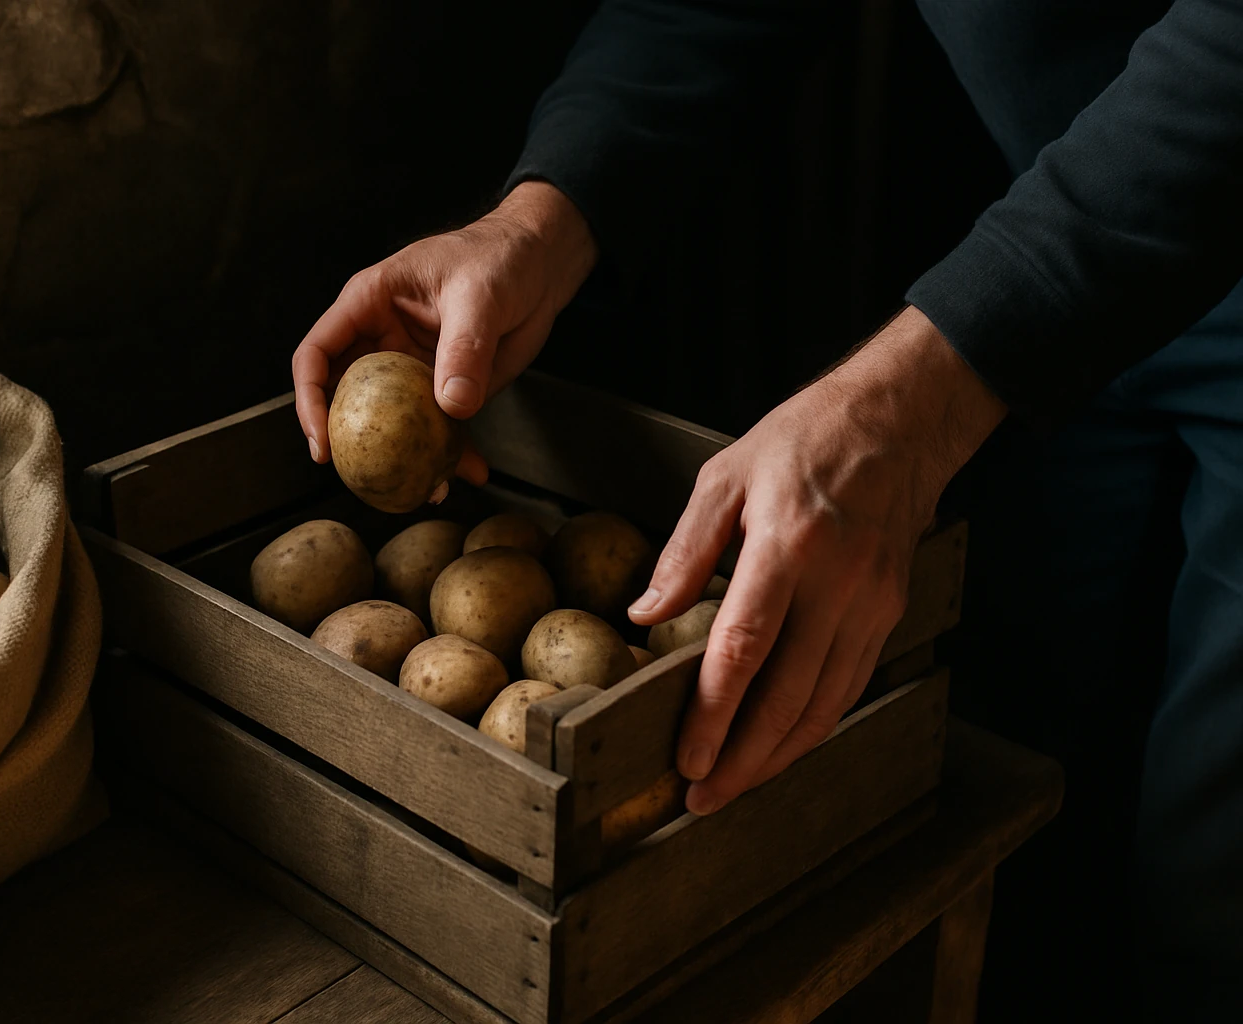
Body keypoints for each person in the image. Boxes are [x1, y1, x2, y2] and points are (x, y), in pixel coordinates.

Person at [292, 2, 1243, 1018]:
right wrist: (545, 212)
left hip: (1134, 233)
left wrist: (918, 395)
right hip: (1057, 255)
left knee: (1211, 894)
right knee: (1017, 791)